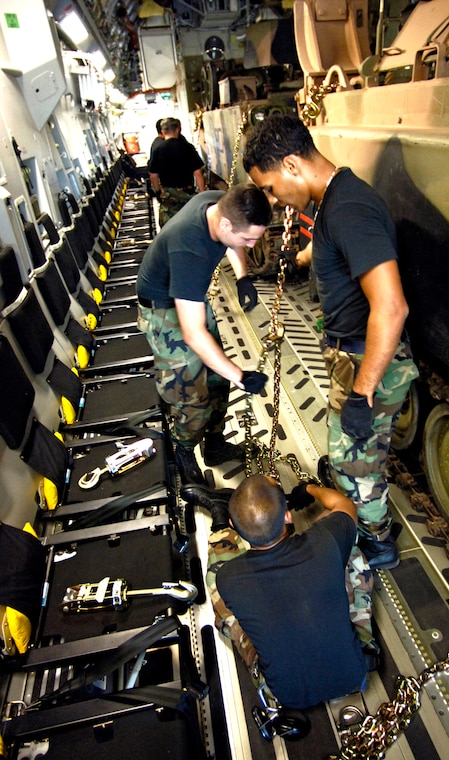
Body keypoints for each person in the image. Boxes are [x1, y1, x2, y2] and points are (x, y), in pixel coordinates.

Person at [243, 115, 419, 570]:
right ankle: (361, 507)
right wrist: (304, 256)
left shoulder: (348, 208)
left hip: (367, 364)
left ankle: (377, 543)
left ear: (291, 165)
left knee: (355, 463)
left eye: (269, 187)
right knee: (348, 455)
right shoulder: (332, 203)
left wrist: (362, 394)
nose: (272, 198)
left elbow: (392, 306)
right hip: (350, 353)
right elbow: (340, 250)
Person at [136, 182, 271, 485]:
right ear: (225, 223)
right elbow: (193, 333)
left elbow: (233, 241)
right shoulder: (189, 247)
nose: (250, 245)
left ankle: (213, 445)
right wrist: (241, 375)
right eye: (248, 238)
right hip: (164, 312)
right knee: (191, 397)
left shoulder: (219, 204)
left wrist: (243, 278)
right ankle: (183, 450)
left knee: (216, 379)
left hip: (189, 298)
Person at [204, 475, 375, 711]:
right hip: (353, 676)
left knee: (215, 581)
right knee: (352, 553)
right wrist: (309, 488)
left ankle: (217, 521)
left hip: (288, 696)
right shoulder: (325, 541)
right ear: (287, 515)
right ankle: (364, 641)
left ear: (234, 525)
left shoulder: (228, 577)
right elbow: (343, 505)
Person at [149, 117, 206, 226]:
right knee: (190, 224)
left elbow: (153, 176)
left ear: (163, 131)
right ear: (178, 129)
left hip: (168, 196)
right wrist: (202, 194)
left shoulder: (158, 149)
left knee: (169, 227)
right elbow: (198, 173)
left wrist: (157, 192)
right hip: (187, 194)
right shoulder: (187, 147)